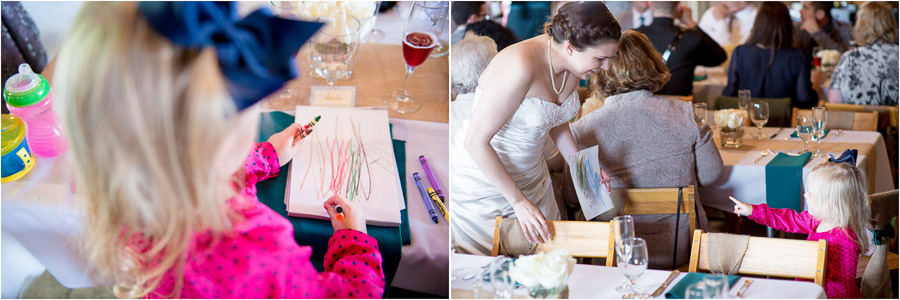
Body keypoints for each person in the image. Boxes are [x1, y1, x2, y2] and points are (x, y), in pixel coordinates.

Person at [52, 2, 383, 298]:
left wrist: (266, 155)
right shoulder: (259, 249)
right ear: (221, 140)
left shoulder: (119, 196)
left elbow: (185, 170)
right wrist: (353, 240)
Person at [450, 1, 617, 255]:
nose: (605, 67)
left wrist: (584, 171)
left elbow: (556, 119)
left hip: (533, 176)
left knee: (550, 260)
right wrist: (518, 201)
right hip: (486, 180)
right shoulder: (519, 65)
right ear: (571, 47)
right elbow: (475, 142)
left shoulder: (571, 65)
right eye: (601, 58)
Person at [570, 30, 722, 268]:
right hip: (682, 248)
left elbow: (574, 197)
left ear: (602, 70)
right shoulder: (684, 113)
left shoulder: (584, 129)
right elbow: (711, 174)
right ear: (651, 63)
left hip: (614, 253)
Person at [731, 156, 871, 298]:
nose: (805, 195)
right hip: (808, 290)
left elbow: (841, 289)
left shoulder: (844, 240)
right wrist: (753, 210)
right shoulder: (816, 221)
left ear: (828, 204)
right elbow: (787, 219)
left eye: (810, 193)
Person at [722, 2, 818, 109]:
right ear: (786, 24)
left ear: (758, 23)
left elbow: (728, 95)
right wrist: (817, 84)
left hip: (748, 121)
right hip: (786, 122)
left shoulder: (739, 53)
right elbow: (805, 99)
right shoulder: (798, 56)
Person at [638, 1, 726, 96]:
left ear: (650, 4)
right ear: (679, 7)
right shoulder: (692, 37)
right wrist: (691, 23)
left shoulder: (635, 36)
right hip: (680, 106)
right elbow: (720, 57)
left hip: (644, 104)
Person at [828, 1, 899, 106]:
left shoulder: (849, 58)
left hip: (860, 121)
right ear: (892, 24)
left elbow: (835, 102)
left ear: (860, 26)